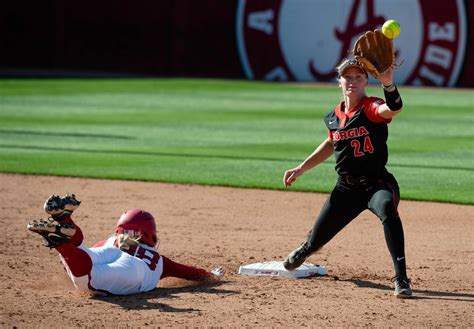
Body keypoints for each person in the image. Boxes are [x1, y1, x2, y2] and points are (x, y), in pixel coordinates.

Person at [282, 58, 412, 298]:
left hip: (377, 185)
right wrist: (301, 168)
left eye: (358, 77)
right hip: (345, 191)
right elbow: (331, 143)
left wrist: (389, 85)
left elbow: (392, 108)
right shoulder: (334, 116)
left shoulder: (371, 107)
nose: (352, 81)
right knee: (317, 238)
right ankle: (306, 249)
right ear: (339, 81)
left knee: (388, 209)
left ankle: (401, 277)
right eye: (347, 77)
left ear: (365, 82)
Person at [27, 194, 225, 296]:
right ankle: (61, 242)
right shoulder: (160, 262)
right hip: (135, 270)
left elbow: (84, 254)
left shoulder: (110, 240)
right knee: (86, 281)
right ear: (148, 233)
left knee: (81, 252)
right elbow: (191, 273)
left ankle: (65, 221)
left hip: (107, 249)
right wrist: (212, 276)